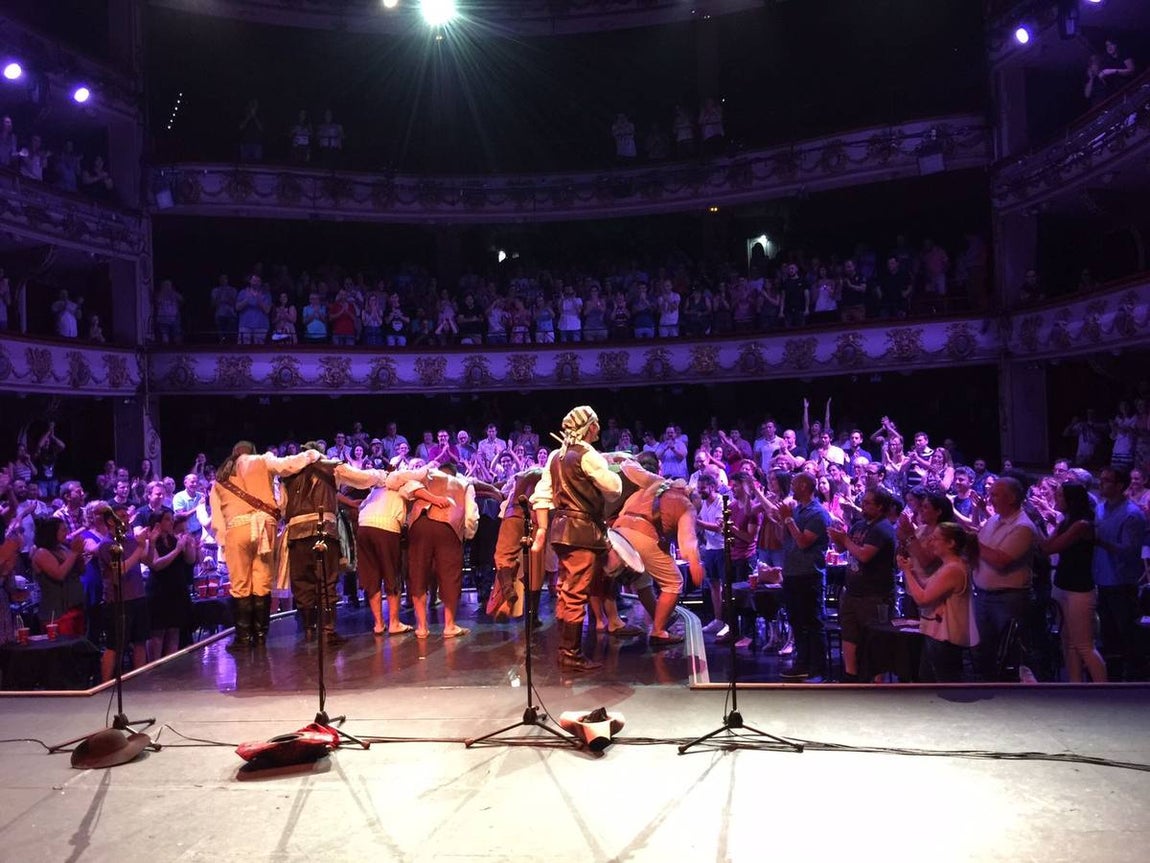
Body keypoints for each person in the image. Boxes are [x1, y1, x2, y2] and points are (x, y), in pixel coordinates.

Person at [531, 406, 621, 672]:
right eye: (596, 423)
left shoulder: (555, 457)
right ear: (588, 427)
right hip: (581, 530)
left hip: (561, 530)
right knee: (574, 592)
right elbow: (614, 489)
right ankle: (570, 653)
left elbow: (542, 496)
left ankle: (566, 651)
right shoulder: (587, 454)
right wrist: (611, 470)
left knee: (565, 590)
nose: (599, 428)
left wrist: (541, 531)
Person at [209, 441, 322, 650]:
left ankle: (243, 639)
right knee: (262, 580)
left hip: (236, 528)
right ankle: (261, 636)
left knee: (240, 584)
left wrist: (223, 543)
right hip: (265, 526)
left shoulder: (220, 479)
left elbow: (216, 519)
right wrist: (310, 455)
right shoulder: (262, 460)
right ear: (252, 451)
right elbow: (287, 465)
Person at [279, 442, 388, 645]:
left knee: (303, 581)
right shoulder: (332, 467)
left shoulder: (288, 475)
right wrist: (383, 476)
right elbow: (362, 479)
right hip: (324, 530)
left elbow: (283, 509)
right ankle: (328, 631)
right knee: (326, 580)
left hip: (297, 533)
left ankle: (309, 630)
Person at [610, 461, 705, 645]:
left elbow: (630, 469)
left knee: (643, 580)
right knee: (674, 582)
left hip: (618, 530)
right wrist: (694, 562)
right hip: (642, 533)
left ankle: (660, 617)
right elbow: (687, 542)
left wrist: (619, 459)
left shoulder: (657, 482)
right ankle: (659, 631)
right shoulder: (687, 505)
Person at [357, 464, 436, 635]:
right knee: (391, 574)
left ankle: (378, 624)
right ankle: (394, 623)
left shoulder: (376, 487)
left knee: (372, 576)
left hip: (363, 526)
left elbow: (361, 507)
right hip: (386, 527)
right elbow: (418, 491)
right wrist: (437, 499)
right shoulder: (405, 482)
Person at [973, 477, 1039, 681]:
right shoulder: (994, 519)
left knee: (1009, 654)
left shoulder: (1023, 527)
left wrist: (971, 542)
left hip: (1008, 599)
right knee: (982, 651)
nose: (989, 499)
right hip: (984, 597)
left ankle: (1009, 697)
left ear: (1011, 499)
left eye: (995, 494)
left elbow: (1002, 560)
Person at [828, 488, 897, 682]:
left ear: (880, 507)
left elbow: (864, 555)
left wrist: (844, 540)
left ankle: (877, 681)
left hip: (874, 594)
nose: (863, 505)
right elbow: (846, 548)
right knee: (849, 635)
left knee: (874, 638)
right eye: (863, 502)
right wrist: (838, 540)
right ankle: (850, 676)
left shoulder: (883, 528)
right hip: (852, 592)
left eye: (868, 503)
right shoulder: (859, 525)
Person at [1042, 482, 1107, 683]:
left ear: (1072, 500)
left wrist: (1035, 525)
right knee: (1067, 643)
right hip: (1062, 585)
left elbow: (1051, 548)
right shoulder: (1066, 520)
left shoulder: (1082, 524)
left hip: (1080, 589)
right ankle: (1075, 687)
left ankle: (1105, 692)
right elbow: (1046, 546)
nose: (1056, 499)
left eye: (1060, 496)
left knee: (1084, 645)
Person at [405, 463, 478, 639]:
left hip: (419, 525)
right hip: (447, 528)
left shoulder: (426, 476)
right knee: (450, 576)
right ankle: (449, 626)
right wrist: (467, 534)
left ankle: (421, 627)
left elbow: (406, 490)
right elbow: (471, 515)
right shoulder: (464, 484)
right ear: (455, 473)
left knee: (418, 573)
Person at [898, 522, 977, 682]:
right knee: (928, 681)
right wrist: (911, 570)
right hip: (936, 634)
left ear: (951, 543)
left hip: (944, 638)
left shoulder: (953, 569)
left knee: (940, 683)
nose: (930, 542)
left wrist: (907, 572)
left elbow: (923, 599)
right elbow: (928, 584)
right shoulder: (948, 566)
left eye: (935, 539)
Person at [774, 472, 832, 680]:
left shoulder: (817, 513)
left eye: (795, 484)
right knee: (797, 621)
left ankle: (818, 668)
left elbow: (803, 542)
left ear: (805, 486)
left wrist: (788, 519)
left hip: (809, 574)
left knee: (813, 622)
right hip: (792, 572)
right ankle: (802, 662)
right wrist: (783, 520)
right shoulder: (797, 510)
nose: (791, 487)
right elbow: (784, 539)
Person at [1092, 467, 1147, 681]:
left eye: (1107, 481)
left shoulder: (1132, 514)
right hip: (1102, 580)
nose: (1101, 483)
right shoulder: (1100, 508)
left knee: (1126, 635)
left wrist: (1099, 540)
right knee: (1107, 636)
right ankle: (1112, 679)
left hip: (1121, 583)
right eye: (1101, 479)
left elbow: (1129, 551)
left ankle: (1134, 682)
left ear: (1120, 486)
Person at [145, 509, 197, 659]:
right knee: (158, 632)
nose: (172, 522)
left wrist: (189, 546)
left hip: (177, 589)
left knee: (174, 630)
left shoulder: (175, 539)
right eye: (168, 519)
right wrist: (177, 550)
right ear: (158, 523)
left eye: (172, 519)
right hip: (159, 591)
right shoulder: (152, 542)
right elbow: (156, 564)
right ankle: (155, 668)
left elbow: (190, 560)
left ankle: (170, 667)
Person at [30, 516, 87, 636]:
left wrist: (80, 557)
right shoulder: (41, 552)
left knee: (77, 649)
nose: (67, 532)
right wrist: (74, 553)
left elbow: (80, 571)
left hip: (75, 607)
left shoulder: (63, 548)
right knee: (62, 650)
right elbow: (59, 574)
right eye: (63, 530)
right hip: (56, 612)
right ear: (52, 532)